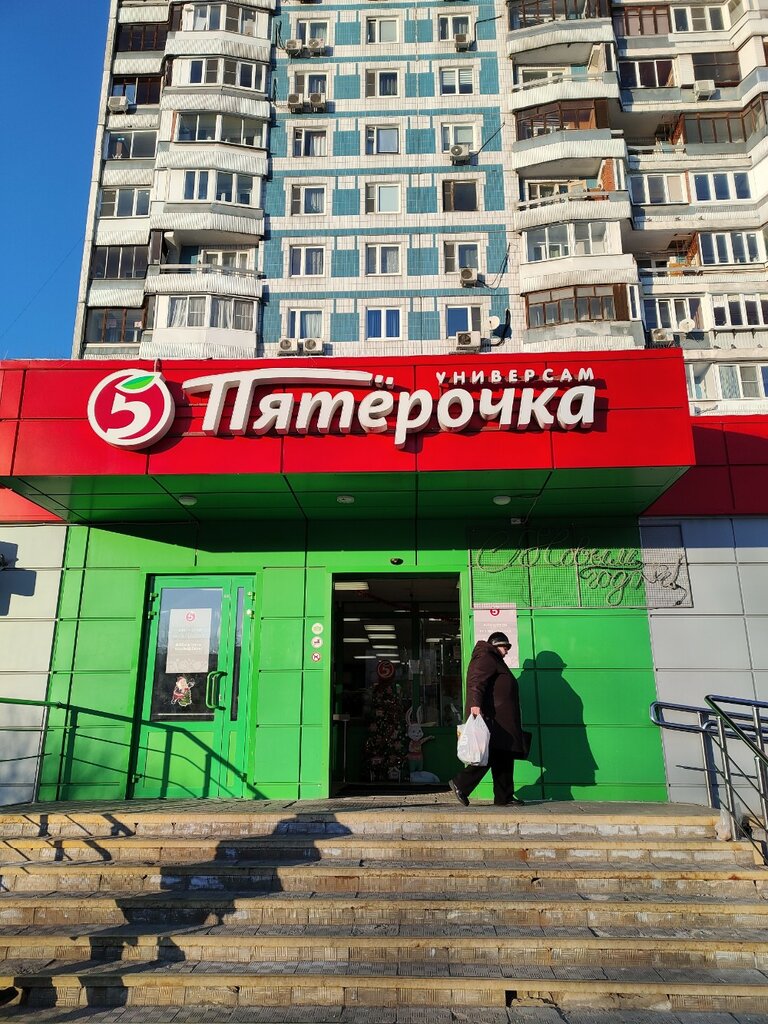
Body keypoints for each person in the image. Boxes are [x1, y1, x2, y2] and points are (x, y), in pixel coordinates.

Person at [449, 632, 526, 807]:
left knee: (503, 755)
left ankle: (504, 797)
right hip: (493, 717)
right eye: (505, 647)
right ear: (496, 644)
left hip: (500, 718)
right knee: (491, 754)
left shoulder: (494, 659)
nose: (507, 651)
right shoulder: (486, 656)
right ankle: (461, 783)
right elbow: (476, 681)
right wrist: (475, 705)